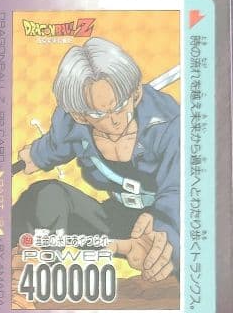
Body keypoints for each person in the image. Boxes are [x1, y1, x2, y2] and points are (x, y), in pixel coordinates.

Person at [14, 37, 177, 284]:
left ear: (135, 93)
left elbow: (179, 190)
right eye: (99, 113)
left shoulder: (169, 125)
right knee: (45, 195)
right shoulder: (72, 123)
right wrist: (36, 155)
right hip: (115, 219)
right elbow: (56, 145)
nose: (115, 120)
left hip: (163, 222)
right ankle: (30, 272)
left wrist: (167, 233)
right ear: (80, 115)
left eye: (119, 105)